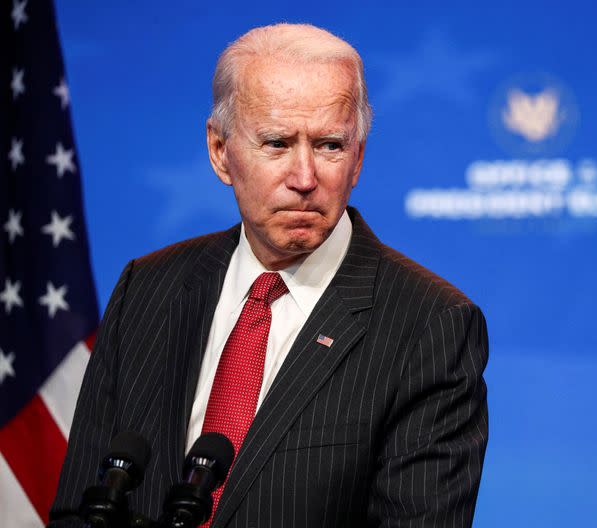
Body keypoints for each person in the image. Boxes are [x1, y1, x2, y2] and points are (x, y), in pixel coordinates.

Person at [49, 23, 488, 527]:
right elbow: (78, 512)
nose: (305, 178)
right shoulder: (147, 288)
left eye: (329, 146)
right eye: (277, 143)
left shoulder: (431, 325)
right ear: (220, 152)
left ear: (359, 157)